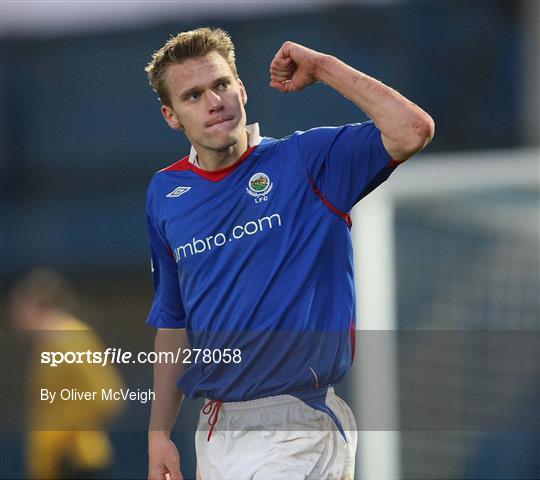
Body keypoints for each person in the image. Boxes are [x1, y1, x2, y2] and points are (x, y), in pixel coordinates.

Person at [144, 27, 434, 480]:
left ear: (242, 89)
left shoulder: (306, 160)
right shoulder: (165, 194)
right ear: (171, 115)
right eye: (193, 95)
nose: (214, 101)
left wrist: (323, 68)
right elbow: (173, 318)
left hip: (296, 424)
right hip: (216, 429)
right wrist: (159, 433)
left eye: (221, 85)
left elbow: (411, 129)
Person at [9, 268, 125, 479]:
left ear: (38, 304)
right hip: (62, 463)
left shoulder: (69, 339)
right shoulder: (49, 344)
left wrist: (67, 436)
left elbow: (109, 396)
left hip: (77, 462)